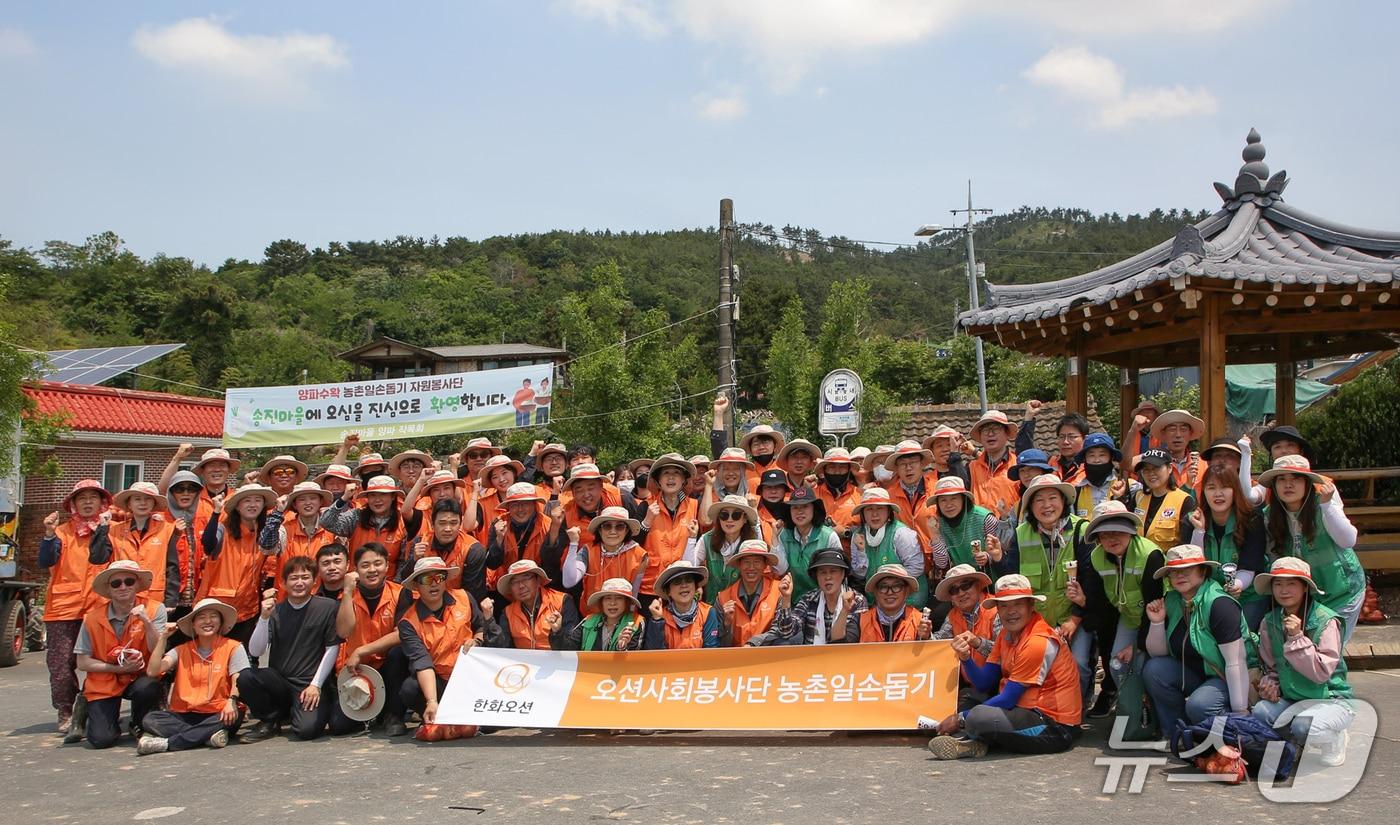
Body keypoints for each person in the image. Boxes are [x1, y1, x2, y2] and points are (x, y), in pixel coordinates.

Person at [927, 573, 1082, 759]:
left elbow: (1008, 698)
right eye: (1004, 606)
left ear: (1031, 606)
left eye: (1017, 604)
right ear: (998, 610)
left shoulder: (1037, 641)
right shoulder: (1005, 635)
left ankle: (976, 737)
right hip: (1024, 710)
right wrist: (965, 658)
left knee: (977, 717)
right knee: (972, 698)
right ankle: (977, 740)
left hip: (1055, 725)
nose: (1011, 611)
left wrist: (960, 718)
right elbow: (984, 683)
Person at [990, 474, 1099, 705]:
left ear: (1064, 501)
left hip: (1073, 617)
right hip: (1037, 621)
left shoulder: (1082, 530)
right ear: (1030, 506)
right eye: (1039, 500)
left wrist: (1074, 620)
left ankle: (1076, 709)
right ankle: (1043, 708)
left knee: (1078, 663)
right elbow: (1013, 578)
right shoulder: (1021, 533)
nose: (1046, 505)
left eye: (1052, 498)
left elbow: (1090, 579)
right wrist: (998, 558)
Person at [1140, 545, 1252, 738]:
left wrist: (1240, 712)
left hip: (1227, 677)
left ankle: (1233, 735)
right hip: (1194, 673)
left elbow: (1236, 662)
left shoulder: (1220, 604)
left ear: (1203, 571)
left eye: (1187, 569)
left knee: (1200, 705)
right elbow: (1158, 654)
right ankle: (1176, 735)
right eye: (1174, 571)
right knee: (1154, 669)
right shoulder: (1172, 600)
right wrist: (1157, 623)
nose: (1179, 575)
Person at [1251, 558, 1354, 766]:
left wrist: (1297, 638)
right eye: (1278, 584)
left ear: (1305, 587)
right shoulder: (1269, 621)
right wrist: (1270, 685)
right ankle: (1294, 744)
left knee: (1303, 726)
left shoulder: (1326, 620)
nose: (1284, 590)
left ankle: (1334, 738)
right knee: (1261, 712)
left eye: (1291, 583)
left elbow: (1321, 673)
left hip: (1331, 699)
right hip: (1292, 697)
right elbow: (1273, 668)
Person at [1259, 455, 1364, 640]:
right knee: (1308, 648)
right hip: (1305, 597)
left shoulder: (1323, 503)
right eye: (1281, 479)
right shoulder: (1269, 515)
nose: (1288, 484)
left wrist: (1327, 506)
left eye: (1296, 478)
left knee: (1330, 649)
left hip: (1343, 591)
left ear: (1307, 483)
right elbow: (1273, 554)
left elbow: (1348, 540)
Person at [238, 556, 341, 742]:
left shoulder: (328, 607)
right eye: (294, 578)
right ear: (284, 583)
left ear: (314, 581)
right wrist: (263, 618)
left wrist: (316, 685)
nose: (299, 583)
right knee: (246, 677)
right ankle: (270, 720)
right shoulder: (275, 610)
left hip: (309, 683)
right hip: (280, 681)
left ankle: (294, 711)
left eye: (305, 577)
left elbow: (332, 647)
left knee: (306, 731)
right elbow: (255, 651)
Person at [38, 478, 114, 732]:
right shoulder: (61, 532)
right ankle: (65, 710)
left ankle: (94, 709)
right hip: (63, 608)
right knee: (60, 666)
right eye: (82, 498)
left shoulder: (111, 529)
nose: (88, 502)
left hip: (100, 606)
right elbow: (45, 560)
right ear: (73, 504)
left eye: (93, 498)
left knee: (101, 664)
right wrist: (49, 535)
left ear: (102, 503)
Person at [1081, 501, 1165, 718]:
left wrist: (1136, 647)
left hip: (1157, 620)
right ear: (1098, 538)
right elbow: (1101, 604)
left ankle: (1153, 711)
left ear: (1130, 531)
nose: (1112, 538)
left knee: (1144, 665)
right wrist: (1083, 601)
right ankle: (1132, 709)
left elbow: (1155, 604)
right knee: (1116, 664)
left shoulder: (1150, 555)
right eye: (1105, 534)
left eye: (1118, 531)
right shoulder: (1097, 557)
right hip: (1128, 617)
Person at [396, 557, 499, 728]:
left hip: (471, 676)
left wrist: (477, 640)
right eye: (427, 579)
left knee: (490, 727)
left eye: (439, 577)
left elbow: (480, 627)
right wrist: (431, 701)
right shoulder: (408, 623)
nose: (434, 584)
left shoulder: (464, 597)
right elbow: (422, 663)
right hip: (439, 680)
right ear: (416, 585)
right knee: (410, 689)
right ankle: (434, 713)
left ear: (445, 581)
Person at [73, 561, 166, 748]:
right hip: (105, 680)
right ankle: (86, 706)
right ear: (109, 588)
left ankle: (138, 723)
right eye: (116, 583)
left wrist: (146, 622)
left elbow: (157, 650)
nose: (123, 587)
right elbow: (82, 662)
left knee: (149, 686)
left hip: (139, 677)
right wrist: (117, 669)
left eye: (129, 581)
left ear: (137, 584)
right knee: (101, 740)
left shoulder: (155, 609)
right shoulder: (92, 618)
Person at [137, 598, 248, 754]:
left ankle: (168, 744)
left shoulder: (233, 647)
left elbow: (239, 677)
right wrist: (163, 638)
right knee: (150, 719)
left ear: (221, 622)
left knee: (230, 717)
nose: (208, 621)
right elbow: (153, 671)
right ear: (193, 625)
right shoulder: (182, 650)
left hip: (220, 710)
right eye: (201, 617)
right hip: (187, 713)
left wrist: (232, 701)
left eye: (213, 616)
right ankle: (206, 736)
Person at [333, 542, 413, 736]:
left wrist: (362, 650)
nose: (372, 570)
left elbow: (401, 634)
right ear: (356, 570)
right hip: (357, 669)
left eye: (377, 564)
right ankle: (369, 715)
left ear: (386, 566)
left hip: (387, 665)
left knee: (398, 653)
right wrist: (348, 592)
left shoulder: (400, 593)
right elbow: (343, 631)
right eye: (365, 565)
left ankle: (393, 715)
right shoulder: (346, 596)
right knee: (338, 726)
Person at [1189, 465, 1269, 630]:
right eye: (1211, 488)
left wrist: (1236, 585)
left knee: (1239, 634)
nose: (1218, 493)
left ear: (1235, 490)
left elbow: (1249, 566)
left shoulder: (1252, 520)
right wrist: (1199, 531)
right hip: (1209, 595)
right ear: (1203, 491)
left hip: (1247, 595)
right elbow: (1193, 564)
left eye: (1225, 487)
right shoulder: (1191, 520)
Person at [198, 484, 278, 645]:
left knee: (243, 656)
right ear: (237, 506)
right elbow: (207, 543)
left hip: (248, 609)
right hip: (217, 609)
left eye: (258, 500)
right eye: (247, 500)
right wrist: (216, 512)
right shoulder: (223, 529)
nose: (253, 504)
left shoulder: (264, 533)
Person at [89, 481, 179, 608]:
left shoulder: (166, 529)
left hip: (154, 599)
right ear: (129, 504)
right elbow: (97, 558)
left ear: (154, 503)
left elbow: (172, 568)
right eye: (137, 499)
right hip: (122, 598)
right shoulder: (114, 531)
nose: (143, 503)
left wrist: (171, 601)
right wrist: (102, 527)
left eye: (148, 499)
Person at [758, 548, 864, 646]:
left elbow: (848, 642)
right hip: (811, 658)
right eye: (822, 572)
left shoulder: (857, 600)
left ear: (843, 574)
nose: (828, 577)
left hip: (844, 658)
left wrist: (844, 610)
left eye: (833, 571)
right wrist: (786, 598)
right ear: (816, 576)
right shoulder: (808, 599)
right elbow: (786, 632)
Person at [849, 487, 929, 607]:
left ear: (888, 511)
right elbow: (860, 574)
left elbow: (916, 567)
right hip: (877, 602)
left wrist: (890, 588)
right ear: (863, 513)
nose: (874, 514)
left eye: (880, 508)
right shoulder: (858, 535)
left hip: (909, 600)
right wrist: (861, 552)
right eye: (869, 509)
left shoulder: (901, 533)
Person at [932, 564, 999, 708]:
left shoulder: (996, 608)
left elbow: (1007, 652)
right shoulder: (953, 615)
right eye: (954, 590)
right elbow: (938, 644)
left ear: (978, 586)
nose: (961, 593)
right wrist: (926, 636)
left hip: (1000, 684)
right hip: (972, 687)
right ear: (951, 598)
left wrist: (978, 643)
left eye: (966, 585)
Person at [637, 454, 701, 605]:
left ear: (684, 479)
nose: (671, 477)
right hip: (650, 587)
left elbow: (700, 546)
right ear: (658, 480)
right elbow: (633, 544)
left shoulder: (694, 506)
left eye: (676, 473)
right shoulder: (646, 506)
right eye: (666, 473)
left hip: (683, 585)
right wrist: (646, 522)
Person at [258, 481, 338, 600]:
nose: (308, 503)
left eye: (313, 498)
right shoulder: (284, 529)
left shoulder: (331, 528)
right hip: (287, 599)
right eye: (302, 499)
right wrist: (278, 512)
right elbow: (266, 547)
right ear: (295, 505)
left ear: (321, 502)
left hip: (321, 598)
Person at [563, 505, 649, 613]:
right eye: (607, 526)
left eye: (619, 526)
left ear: (627, 530)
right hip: (591, 615)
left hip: (624, 616)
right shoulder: (588, 550)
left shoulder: (639, 555)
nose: (613, 531)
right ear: (599, 530)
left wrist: (629, 617)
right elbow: (569, 581)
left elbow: (634, 593)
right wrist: (573, 543)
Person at [486, 482, 566, 594]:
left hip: (542, 587)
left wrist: (554, 531)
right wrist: (499, 540)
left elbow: (552, 565)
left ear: (534, 505)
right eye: (514, 505)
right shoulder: (498, 524)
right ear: (508, 508)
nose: (520, 509)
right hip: (508, 586)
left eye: (525, 504)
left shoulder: (549, 526)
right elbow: (492, 564)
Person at [404, 499, 489, 603]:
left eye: (453, 523)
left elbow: (472, 595)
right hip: (423, 602)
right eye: (442, 523)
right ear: (432, 524)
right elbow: (405, 581)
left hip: (458, 605)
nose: (448, 529)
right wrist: (413, 560)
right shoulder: (420, 542)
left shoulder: (473, 550)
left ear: (460, 524)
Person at [321, 475, 408, 571]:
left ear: (393, 497)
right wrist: (344, 498)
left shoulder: (403, 521)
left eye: (383, 494)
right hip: (356, 578)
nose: (377, 500)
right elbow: (326, 522)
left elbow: (403, 561)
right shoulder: (356, 516)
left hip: (388, 579)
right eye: (372, 495)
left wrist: (396, 581)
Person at [774, 485, 842, 601]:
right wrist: (775, 538)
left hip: (823, 601)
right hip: (793, 601)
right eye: (795, 507)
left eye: (805, 506)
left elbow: (838, 574)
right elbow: (780, 570)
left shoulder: (829, 536)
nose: (799, 512)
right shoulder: (784, 535)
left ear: (814, 509)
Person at [492, 559, 579, 650]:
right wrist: (489, 620)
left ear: (538, 580)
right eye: (514, 582)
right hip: (522, 659)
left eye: (526, 578)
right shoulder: (508, 612)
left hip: (557, 658)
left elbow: (572, 646)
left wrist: (557, 632)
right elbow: (503, 648)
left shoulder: (562, 601)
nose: (521, 586)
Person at [697, 494, 767, 601]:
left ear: (745, 519)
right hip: (711, 606)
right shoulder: (706, 539)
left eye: (736, 515)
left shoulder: (753, 540)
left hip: (741, 607)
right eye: (724, 515)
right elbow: (691, 565)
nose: (729, 520)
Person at [642, 561, 727, 648]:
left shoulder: (708, 613)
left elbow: (711, 651)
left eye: (688, 580)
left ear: (695, 587)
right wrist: (657, 621)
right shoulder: (660, 616)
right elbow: (655, 653)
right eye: (677, 581)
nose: (684, 585)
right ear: (668, 591)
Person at [718, 541, 787, 647]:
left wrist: (753, 643)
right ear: (739, 565)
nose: (751, 567)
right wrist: (726, 624)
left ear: (765, 565)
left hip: (768, 653)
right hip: (735, 655)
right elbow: (719, 644)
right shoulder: (723, 598)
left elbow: (781, 630)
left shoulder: (779, 591)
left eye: (757, 562)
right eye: (746, 562)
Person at [164, 470, 211, 623]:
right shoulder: (161, 518)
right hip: (170, 596)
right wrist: (174, 534)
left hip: (197, 593)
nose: (186, 493)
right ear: (171, 492)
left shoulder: (206, 515)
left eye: (191, 489)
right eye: (179, 489)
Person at [926, 476, 999, 574]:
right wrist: (934, 535)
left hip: (989, 575)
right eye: (943, 500)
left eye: (954, 498)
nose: (948, 505)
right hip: (960, 577)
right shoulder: (938, 524)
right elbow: (942, 563)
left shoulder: (985, 518)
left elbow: (1001, 552)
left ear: (964, 499)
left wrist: (987, 556)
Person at [552, 578, 647, 651]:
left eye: (619, 598)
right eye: (608, 598)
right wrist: (557, 631)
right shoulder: (589, 621)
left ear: (627, 602)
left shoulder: (637, 622)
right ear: (601, 602)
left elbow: (634, 661)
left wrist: (621, 647)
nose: (612, 603)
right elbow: (568, 650)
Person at [1129, 448, 1196, 548]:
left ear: (1169, 468)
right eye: (1146, 469)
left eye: (1156, 468)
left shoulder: (1185, 501)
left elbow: (1187, 544)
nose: (1151, 473)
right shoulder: (1138, 497)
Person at [853, 564, 933, 642]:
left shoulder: (920, 621)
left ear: (907, 591)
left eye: (896, 586)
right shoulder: (860, 620)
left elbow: (933, 649)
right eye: (883, 587)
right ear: (875, 592)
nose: (890, 592)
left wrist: (927, 638)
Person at [1018, 402, 1089, 485]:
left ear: (1085, 439)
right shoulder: (1049, 463)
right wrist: (1029, 417)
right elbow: (1025, 453)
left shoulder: (1092, 466)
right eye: (1061, 436)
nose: (1065, 442)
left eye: (1072, 436)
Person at [967, 410, 1019, 520]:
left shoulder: (1018, 464)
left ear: (1006, 433)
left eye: (996, 429)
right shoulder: (971, 468)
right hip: (979, 528)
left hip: (1012, 528)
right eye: (985, 430)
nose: (990, 434)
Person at [1072, 433, 1139, 518]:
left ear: (1111, 457)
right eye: (1091, 455)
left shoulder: (1131, 487)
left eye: (1102, 455)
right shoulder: (1075, 492)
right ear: (1084, 459)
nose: (1097, 460)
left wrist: (1122, 498)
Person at [813, 447, 861, 547]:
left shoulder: (860, 494)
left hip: (852, 554)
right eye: (832, 467)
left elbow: (870, 529)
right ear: (824, 469)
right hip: (818, 553)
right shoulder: (812, 495)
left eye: (842, 467)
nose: (837, 472)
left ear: (849, 469)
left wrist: (846, 533)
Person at [1148, 410, 1208, 490]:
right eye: (1172, 429)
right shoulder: (1154, 463)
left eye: (1183, 429)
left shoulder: (1202, 464)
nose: (1178, 435)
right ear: (1163, 433)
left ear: (1190, 433)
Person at [700, 447, 756, 523]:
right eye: (725, 469)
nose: (730, 473)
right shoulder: (710, 496)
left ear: (743, 473)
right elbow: (706, 521)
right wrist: (709, 485)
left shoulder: (752, 498)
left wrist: (753, 507)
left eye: (736, 469)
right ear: (719, 472)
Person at [754, 469, 791, 542]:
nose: (773, 491)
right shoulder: (754, 514)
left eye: (778, 487)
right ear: (761, 491)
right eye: (768, 487)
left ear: (785, 490)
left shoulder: (793, 513)